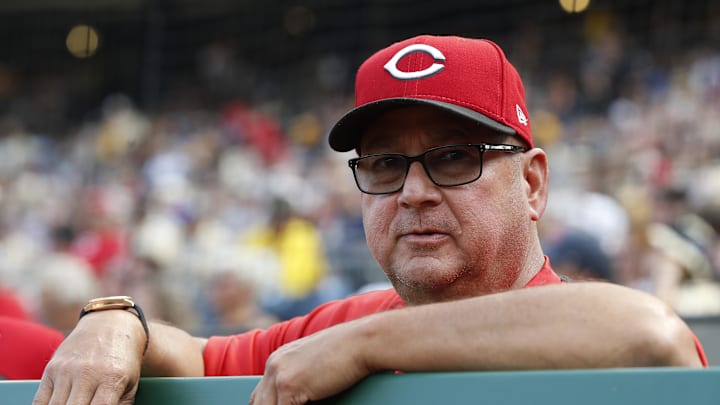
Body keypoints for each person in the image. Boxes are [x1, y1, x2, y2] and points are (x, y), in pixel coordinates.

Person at [33, 34, 706, 405]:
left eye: (451, 157)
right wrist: (116, 319)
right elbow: (203, 358)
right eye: (384, 165)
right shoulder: (346, 325)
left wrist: (369, 344)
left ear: (532, 183)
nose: (413, 191)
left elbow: (652, 335)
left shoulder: (365, 333)